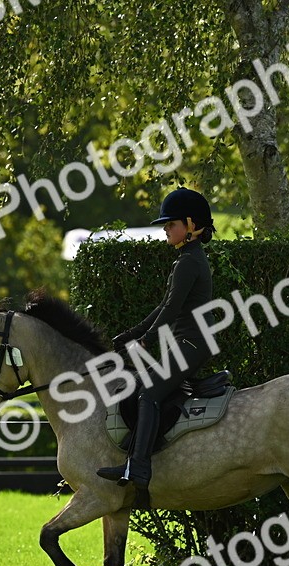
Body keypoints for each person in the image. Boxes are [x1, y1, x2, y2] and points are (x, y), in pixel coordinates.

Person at [97, 187, 216, 489]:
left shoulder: (189, 262)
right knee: (142, 386)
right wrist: (134, 333)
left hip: (192, 345)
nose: (165, 229)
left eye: (171, 224)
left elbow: (172, 309)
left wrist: (146, 339)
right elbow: (164, 305)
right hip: (187, 343)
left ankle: (138, 468)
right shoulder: (186, 259)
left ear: (190, 225)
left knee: (148, 393)